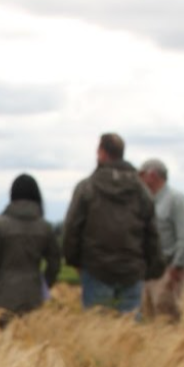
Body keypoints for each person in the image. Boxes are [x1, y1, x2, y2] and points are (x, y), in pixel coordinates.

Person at [62, 132, 164, 315]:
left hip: (96, 270)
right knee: (129, 337)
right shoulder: (141, 190)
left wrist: (75, 261)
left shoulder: (87, 187)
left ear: (101, 152)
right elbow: (152, 232)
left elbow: (72, 228)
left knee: (97, 334)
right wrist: (152, 268)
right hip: (132, 271)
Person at [0, 174, 61, 318]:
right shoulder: (45, 227)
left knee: (3, 339)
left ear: (12, 195)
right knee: (32, 339)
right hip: (33, 296)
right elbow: (55, 263)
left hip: (2, 297)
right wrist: (43, 286)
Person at [137, 158, 184, 322]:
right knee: (147, 318)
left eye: (141, 175)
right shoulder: (146, 201)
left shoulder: (175, 199)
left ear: (152, 175)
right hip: (148, 270)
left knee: (166, 316)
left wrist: (177, 267)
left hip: (168, 269)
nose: (139, 179)